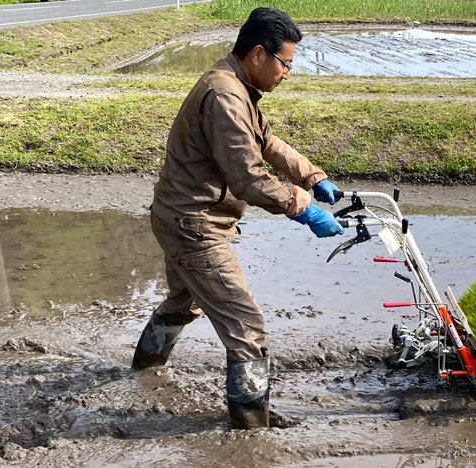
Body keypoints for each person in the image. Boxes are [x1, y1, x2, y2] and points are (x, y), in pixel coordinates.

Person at [131, 7, 343, 430]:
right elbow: (247, 178)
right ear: (259, 55)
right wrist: (301, 208)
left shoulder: (236, 84)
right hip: (194, 226)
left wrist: (312, 175)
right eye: (286, 64)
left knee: (182, 302)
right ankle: (250, 424)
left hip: (177, 216)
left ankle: (142, 374)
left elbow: (266, 140)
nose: (288, 73)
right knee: (246, 325)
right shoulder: (226, 96)